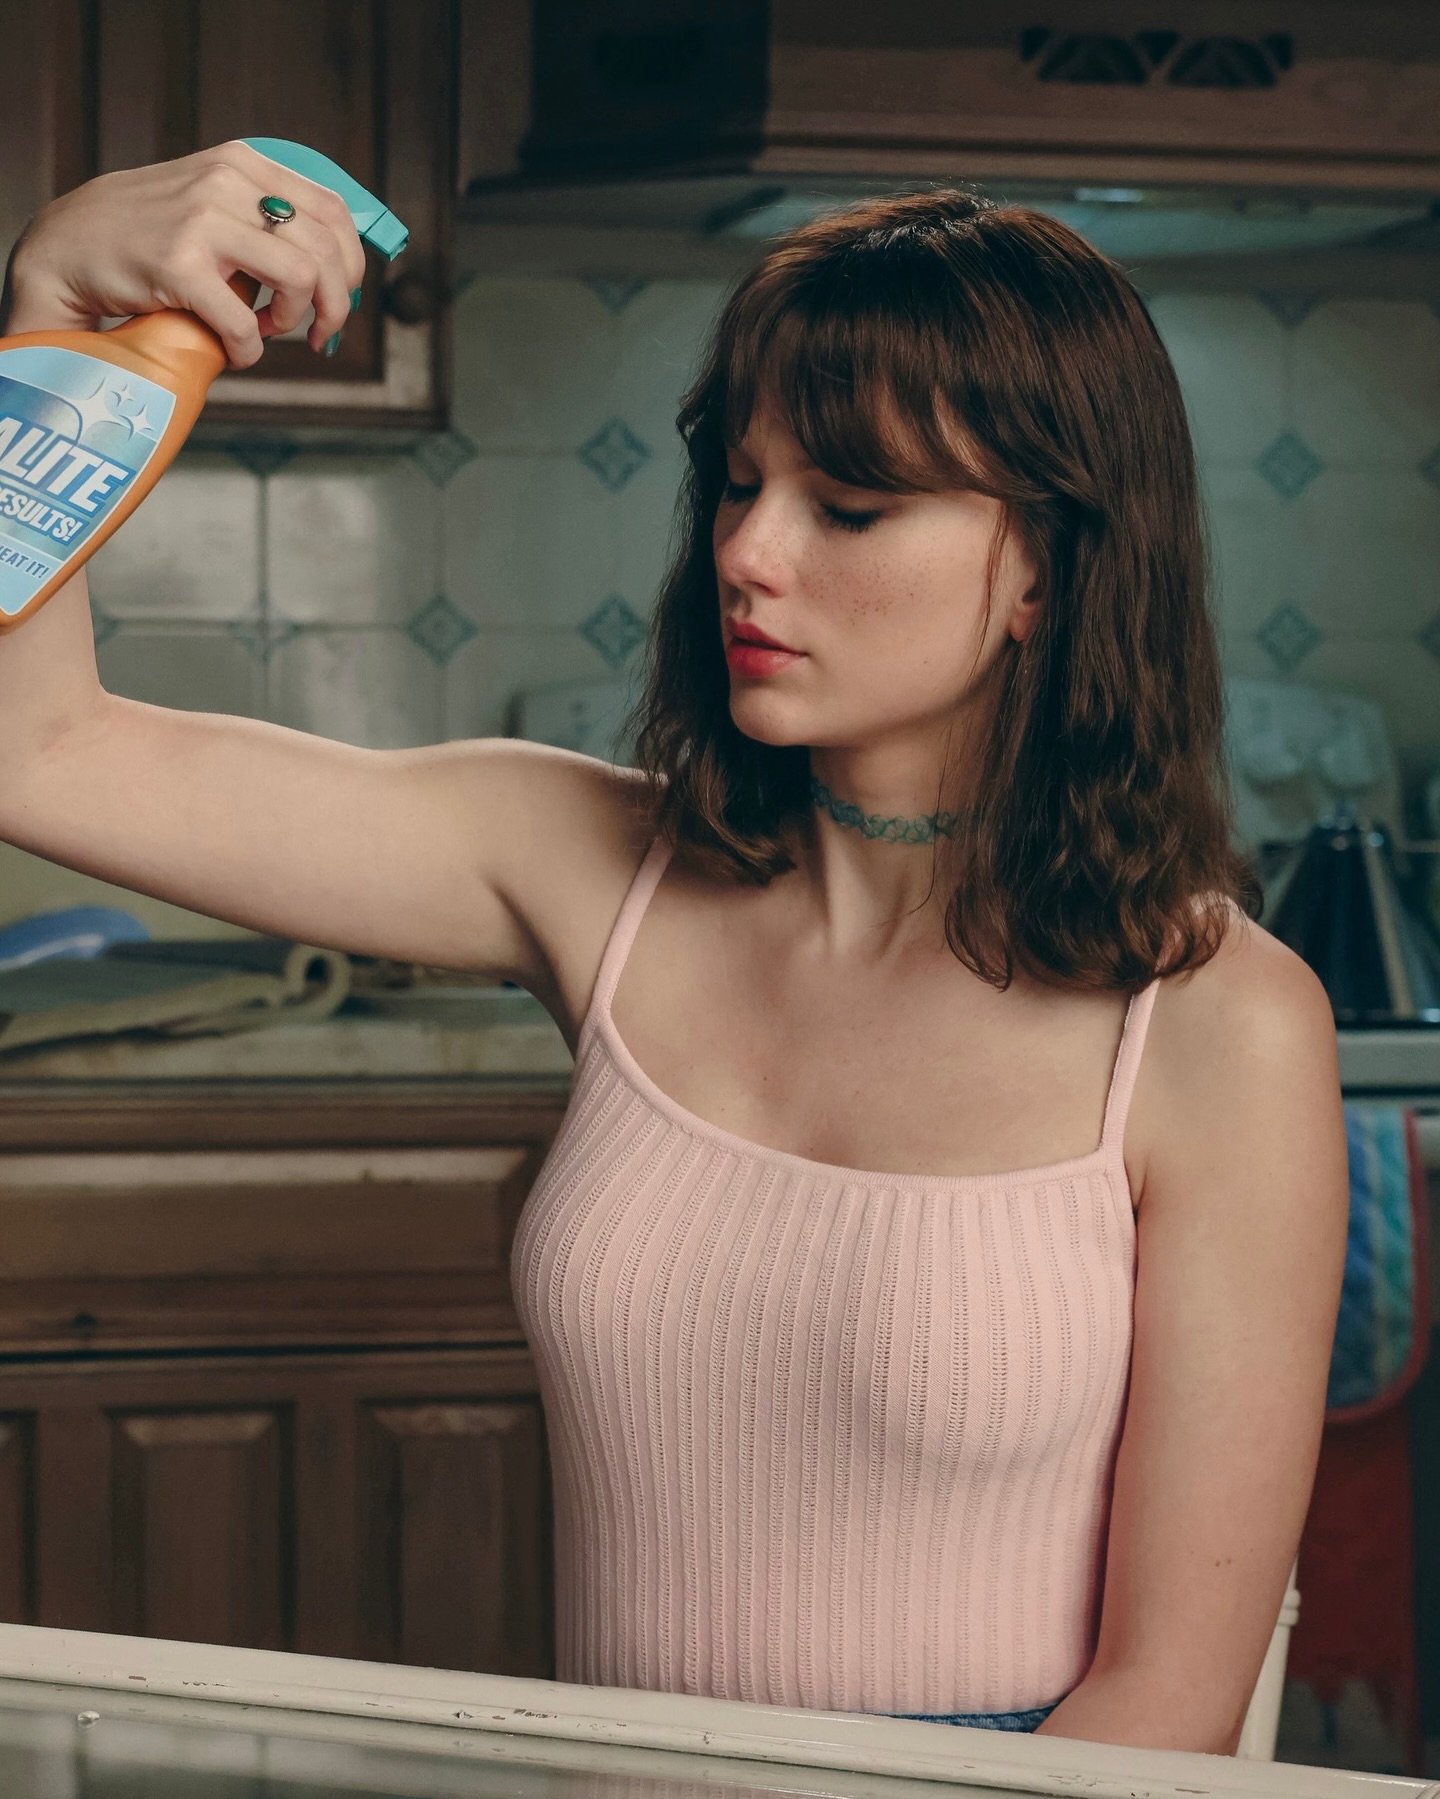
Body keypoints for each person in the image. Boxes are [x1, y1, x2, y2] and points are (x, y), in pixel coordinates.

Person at [0, 142, 1348, 1755]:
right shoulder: (587, 867)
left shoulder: (1219, 1024)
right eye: (739, 481)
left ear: (1048, 573)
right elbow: (38, 753)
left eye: (849, 505)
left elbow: (1166, 1700)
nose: (747, 552)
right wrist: (52, 318)